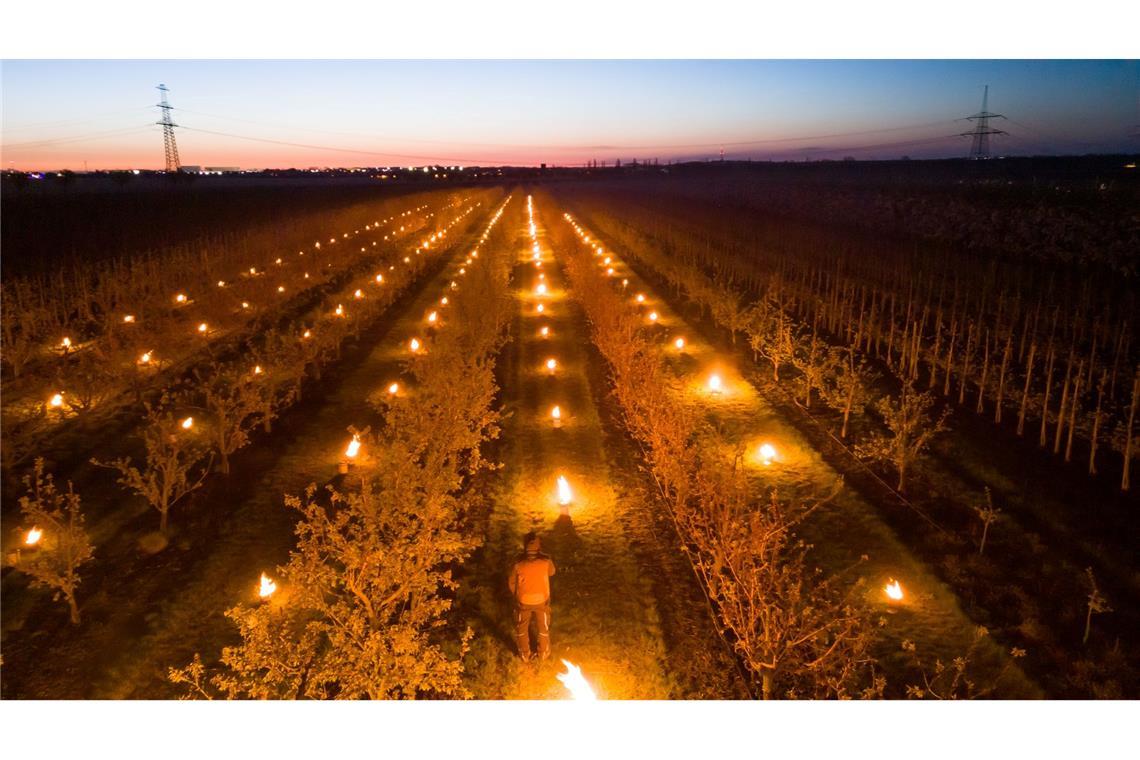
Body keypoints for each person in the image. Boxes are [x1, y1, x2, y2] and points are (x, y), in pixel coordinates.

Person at [508, 531, 556, 662]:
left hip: (523, 601)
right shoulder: (545, 562)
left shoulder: (518, 564)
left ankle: (525, 654)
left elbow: (511, 582)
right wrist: (546, 557)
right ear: (539, 548)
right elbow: (552, 572)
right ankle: (543, 653)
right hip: (542, 600)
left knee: (522, 627)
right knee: (543, 627)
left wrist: (517, 595)